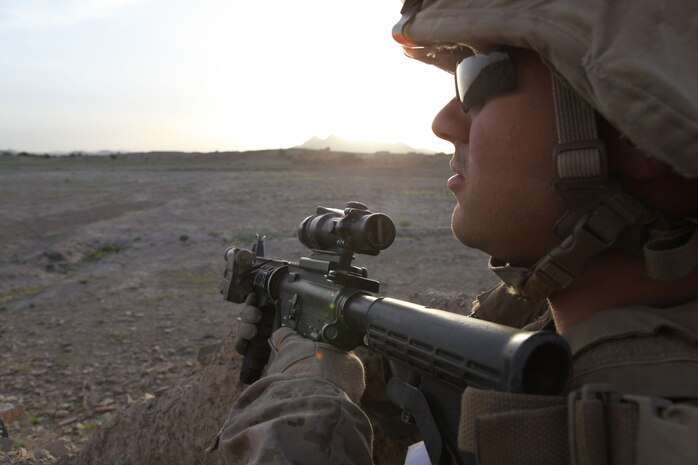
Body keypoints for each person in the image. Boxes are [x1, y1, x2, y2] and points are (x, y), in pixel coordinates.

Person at [210, 1, 698, 463]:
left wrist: (305, 382)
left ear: (637, 129)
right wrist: (349, 346)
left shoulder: (620, 435)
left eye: (479, 76)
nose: (443, 122)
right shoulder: (561, 322)